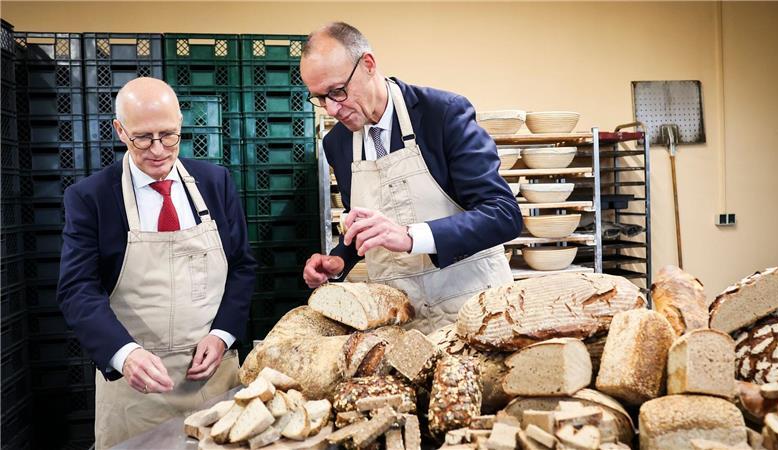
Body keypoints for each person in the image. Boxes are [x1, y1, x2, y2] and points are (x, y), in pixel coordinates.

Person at [57, 77, 256, 449]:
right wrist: (125, 354)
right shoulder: (91, 198)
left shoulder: (216, 182)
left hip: (214, 379)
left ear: (181, 123)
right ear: (120, 130)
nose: (158, 149)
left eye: (168, 135)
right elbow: (77, 290)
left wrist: (223, 334)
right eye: (142, 137)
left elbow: (242, 267)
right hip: (136, 390)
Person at [300, 22, 522, 333]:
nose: (332, 109)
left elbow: (503, 215)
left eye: (337, 91)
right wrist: (340, 260)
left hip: (475, 311)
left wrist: (410, 237)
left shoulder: (442, 114)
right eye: (321, 98)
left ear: (368, 65)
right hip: (402, 323)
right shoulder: (337, 143)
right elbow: (362, 224)